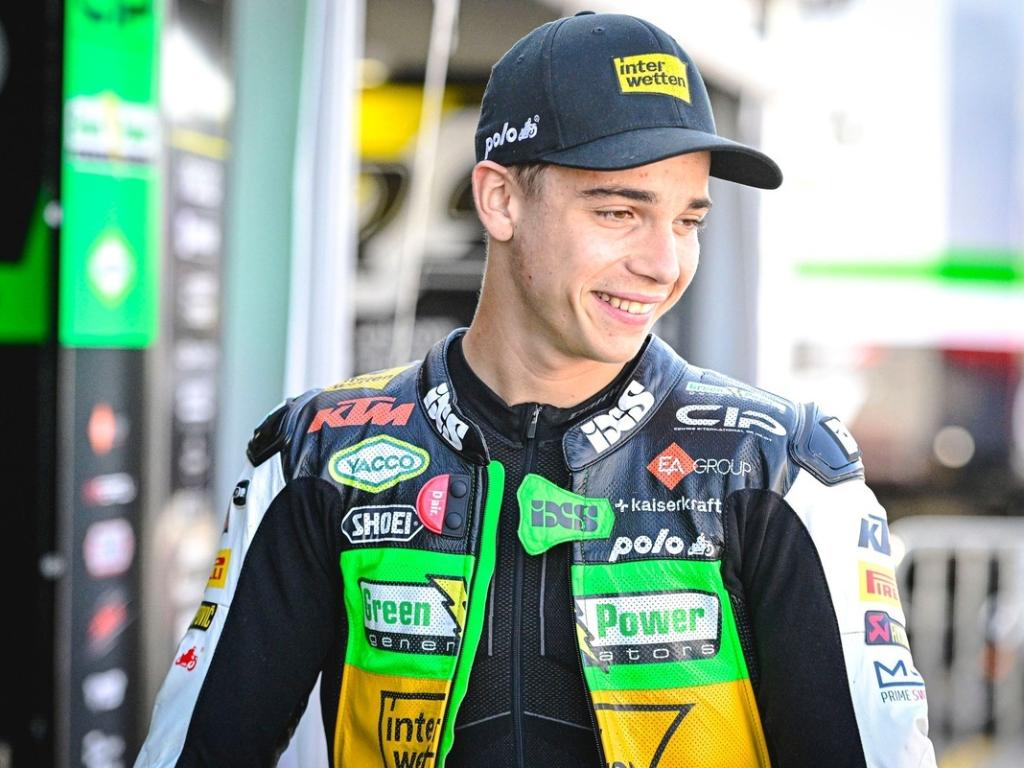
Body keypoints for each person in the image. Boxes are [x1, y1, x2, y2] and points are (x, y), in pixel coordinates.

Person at [136, 11, 936, 768]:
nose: (663, 264)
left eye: (687, 221)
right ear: (500, 200)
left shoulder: (776, 467)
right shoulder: (323, 452)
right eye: (620, 212)